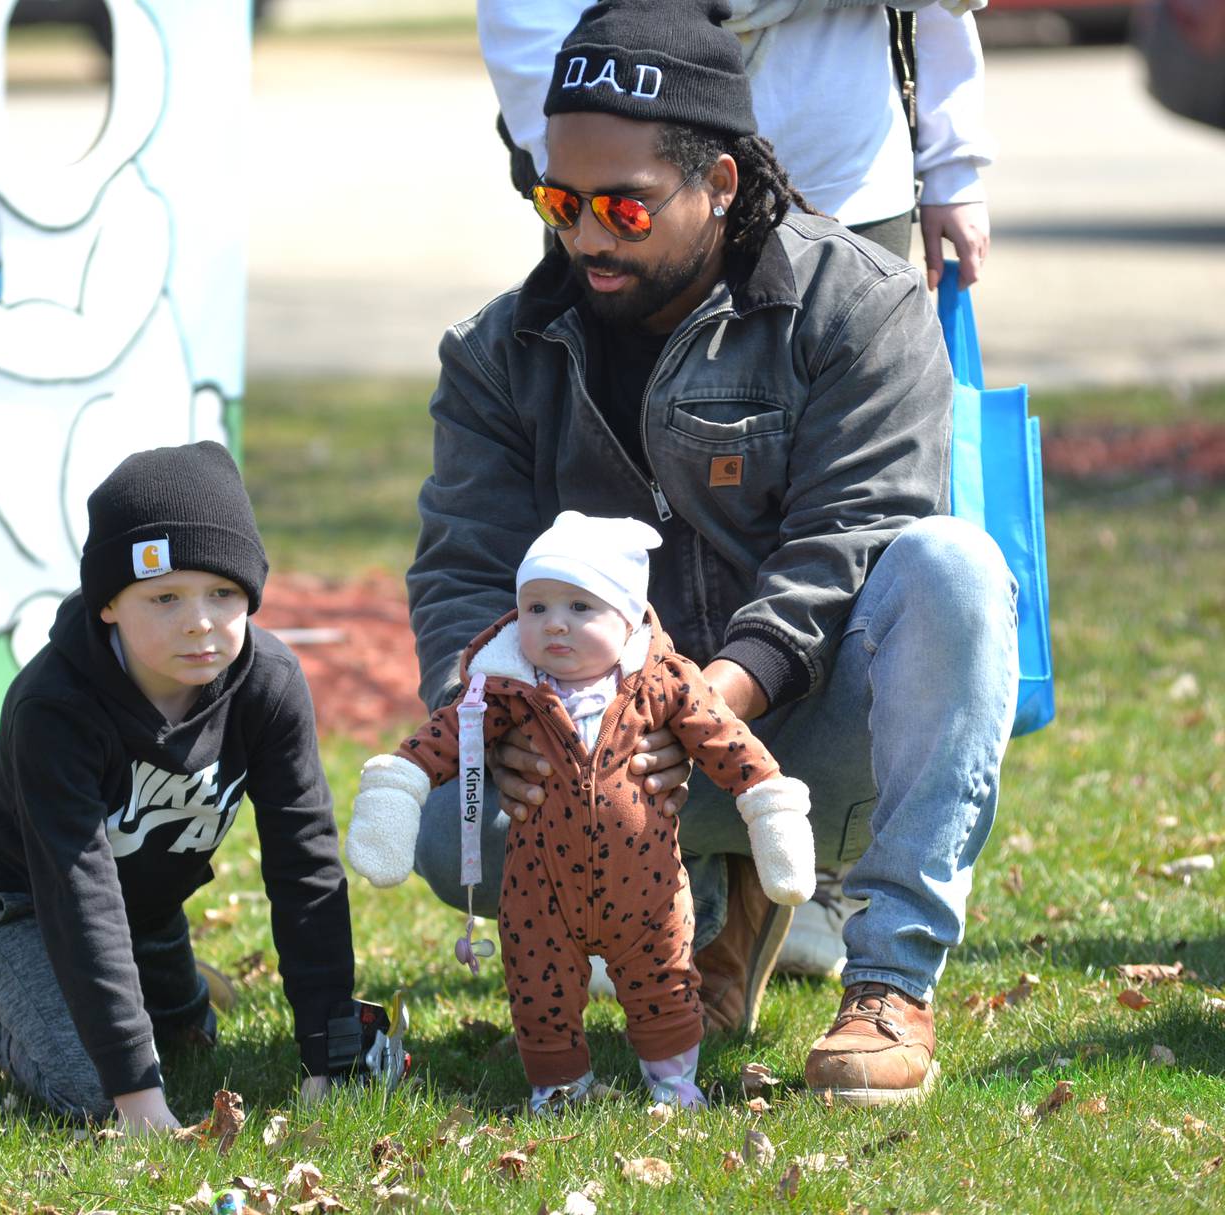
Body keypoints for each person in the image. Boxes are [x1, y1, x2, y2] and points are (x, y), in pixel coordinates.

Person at [408, 0, 1018, 1106]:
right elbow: (459, 570)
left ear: (722, 184)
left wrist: (695, 708)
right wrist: (479, 719)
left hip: (806, 737)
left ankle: (887, 983)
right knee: (437, 821)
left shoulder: (859, 306)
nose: (586, 235)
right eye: (559, 200)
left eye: (624, 208)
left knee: (953, 568)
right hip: (599, 763)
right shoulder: (499, 353)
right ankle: (687, 941)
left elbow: (848, 540)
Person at [0, 441, 356, 1130]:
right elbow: (77, 890)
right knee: (93, 1089)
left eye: (223, 592)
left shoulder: (270, 687)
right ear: (109, 602)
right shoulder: (54, 704)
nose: (199, 620)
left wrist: (331, 1055)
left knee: (185, 1041)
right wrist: (137, 1097)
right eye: (165, 596)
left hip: (142, 898)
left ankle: (153, 992)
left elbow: (306, 866)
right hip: (11, 896)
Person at [346, 511, 813, 1111]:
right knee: (539, 991)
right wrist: (396, 788)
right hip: (540, 894)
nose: (554, 625)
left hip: (646, 888)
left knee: (664, 983)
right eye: (536, 608)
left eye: (579, 608)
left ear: (626, 617)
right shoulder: (504, 690)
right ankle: (558, 1086)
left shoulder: (666, 683)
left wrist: (769, 808)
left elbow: (730, 745)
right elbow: (435, 743)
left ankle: (673, 1083)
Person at [477, 0, 993, 283]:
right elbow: (525, 17)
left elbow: (939, 10)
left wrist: (953, 163)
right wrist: (576, 172)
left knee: (856, 437)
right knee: (626, 444)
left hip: (848, 186)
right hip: (630, 201)